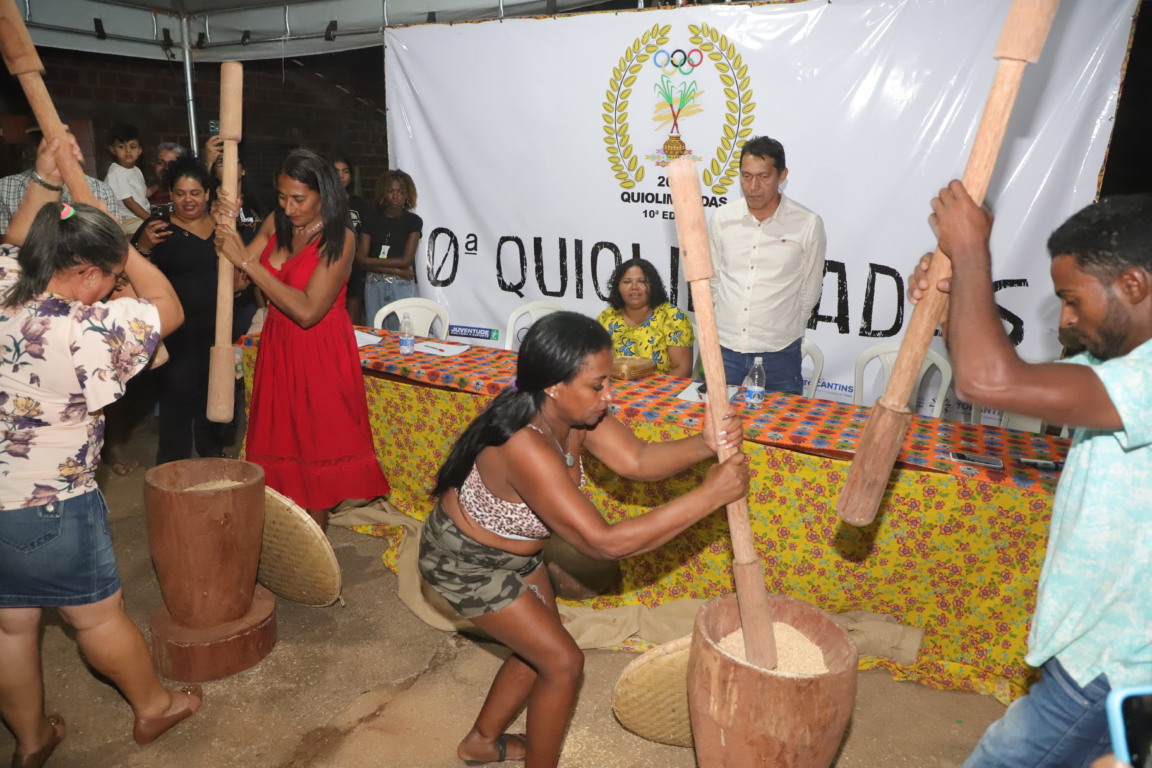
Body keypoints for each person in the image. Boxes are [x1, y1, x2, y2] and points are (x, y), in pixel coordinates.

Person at [418, 311, 749, 768]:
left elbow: (636, 458)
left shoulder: (578, 416)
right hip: (465, 561)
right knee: (563, 662)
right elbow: (605, 543)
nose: (608, 396)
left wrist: (705, 443)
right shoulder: (525, 443)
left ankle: (480, 742)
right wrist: (709, 495)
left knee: (542, 648)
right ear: (554, 385)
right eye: (598, 385)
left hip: (517, 555)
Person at [910, 182, 1152, 768]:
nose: (1065, 318)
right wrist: (950, 299)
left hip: (1116, 661)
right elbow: (990, 367)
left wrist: (972, 255)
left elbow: (990, 383)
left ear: (1133, 285)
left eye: (1072, 300)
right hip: (1096, 647)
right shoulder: (1119, 363)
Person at [0, 136, 199, 768]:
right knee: (97, 620)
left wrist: (42, 177)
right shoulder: (90, 329)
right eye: (107, 277)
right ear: (87, 270)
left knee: (9, 626)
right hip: (50, 504)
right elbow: (169, 307)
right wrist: (123, 246)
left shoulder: (5, 280)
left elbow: (14, 238)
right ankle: (154, 707)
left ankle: (31, 740)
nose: (114, 288)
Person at [212, 148, 391, 530]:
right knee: (283, 443)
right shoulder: (276, 224)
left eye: (298, 199)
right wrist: (225, 239)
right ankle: (287, 539)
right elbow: (238, 282)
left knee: (315, 446)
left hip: (318, 348)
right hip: (279, 344)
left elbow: (309, 310)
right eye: (281, 196)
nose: (289, 207)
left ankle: (316, 552)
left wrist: (244, 260)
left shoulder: (339, 239)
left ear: (323, 194)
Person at [706, 135, 826, 393]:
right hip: (725, 348)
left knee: (781, 429)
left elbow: (811, 288)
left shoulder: (807, 223)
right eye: (746, 176)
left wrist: (782, 327)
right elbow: (714, 279)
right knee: (717, 428)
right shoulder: (722, 219)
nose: (753, 186)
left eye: (763, 176)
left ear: (782, 176)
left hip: (779, 353)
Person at [132, 156, 228, 464]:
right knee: (177, 398)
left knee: (215, 394)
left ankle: (212, 455)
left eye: (195, 193)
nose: (188, 200)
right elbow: (128, 276)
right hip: (177, 332)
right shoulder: (158, 230)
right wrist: (144, 247)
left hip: (219, 329)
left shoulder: (223, 229)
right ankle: (173, 466)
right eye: (180, 193)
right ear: (170, 195)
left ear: (208, 194)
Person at [0, 125, 123, 235]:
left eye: (62, 143)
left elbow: (116, 248)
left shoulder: (101, 190)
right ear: (34, 147)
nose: (54, 149)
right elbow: (5, 250)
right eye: (44, 142)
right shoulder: (5, 188)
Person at [597, 257, 694, 377]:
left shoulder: (673, 317)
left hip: (659, 391)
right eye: (627, 282)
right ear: (618, 287)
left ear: (653, 285)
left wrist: (656, 393)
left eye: (642, 281)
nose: (634, 287)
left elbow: (682, 368)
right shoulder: (607, 317)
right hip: (613, 390)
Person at [357, 169, 422, 330]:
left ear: (407, 194)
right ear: (382, 193)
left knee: (402, 333)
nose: (395, 196)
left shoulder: (413, 221)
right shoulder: (370, 219)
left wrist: (374, 264)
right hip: (374, 284)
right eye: (390, 191)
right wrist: (398, 271)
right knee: (374, 333)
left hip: (401, 286)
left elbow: (406, 260)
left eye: (400, 192)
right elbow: (360, 260)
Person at [333, 155, 368, 325]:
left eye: (345, 171)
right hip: (332, 262)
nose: (341, 176)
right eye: (336, 172)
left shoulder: (358, 203)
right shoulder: (324, 203)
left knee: (354, 317)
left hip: (355, 266)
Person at [103, 124, 150, 235]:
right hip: (125, 220)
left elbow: (142, 195)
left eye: (132, 147)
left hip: (137, 217)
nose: (128, 151)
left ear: (139, 150)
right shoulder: (117, 172)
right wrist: (150, 219)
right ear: (112, 149)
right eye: (121, 147)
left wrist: (159, 186)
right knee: (153, 229)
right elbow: (129, 203)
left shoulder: (136, 170)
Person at [146, 141, 185, 210]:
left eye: (171, 164)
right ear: (154, 164)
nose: (166, 168)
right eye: (160, 163)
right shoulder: (146, 196)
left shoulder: (189, 196)